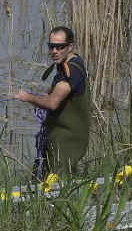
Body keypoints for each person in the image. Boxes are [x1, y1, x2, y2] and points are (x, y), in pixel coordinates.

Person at [12, 26, 90, 181]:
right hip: (61, 136)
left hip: (66, 140)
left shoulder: (70, 72)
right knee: (48, 179)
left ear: (70, 46)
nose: (54, 51)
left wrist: (27, 97)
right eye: (51, 46)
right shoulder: (72, 61)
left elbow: (53, 103)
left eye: (60, 47)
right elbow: (58, 93)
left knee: (60, 184)